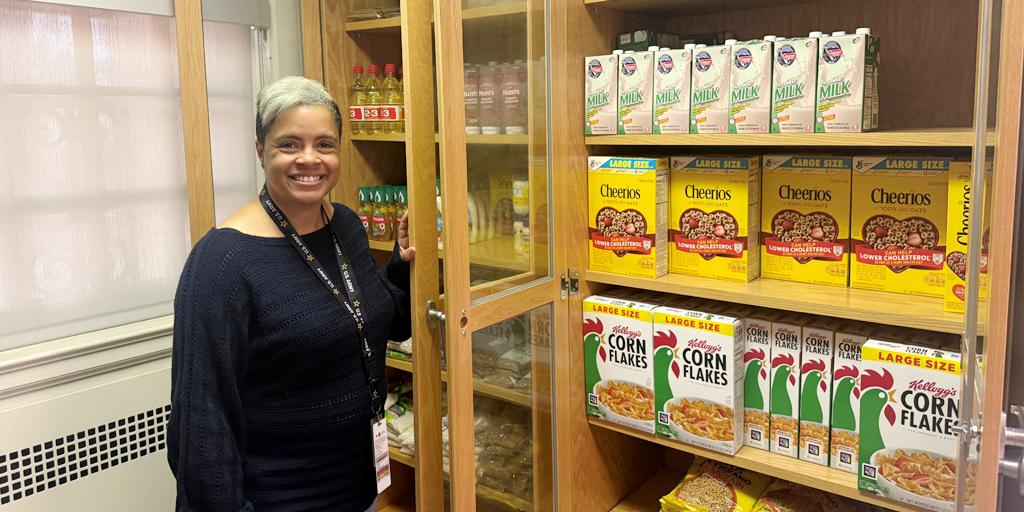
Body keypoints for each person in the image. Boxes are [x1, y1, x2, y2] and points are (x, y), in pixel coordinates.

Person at [168, 76, 413, 512]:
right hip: (279, 500)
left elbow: (382, 322)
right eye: (289, 144)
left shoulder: (346, 226)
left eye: (324, 144)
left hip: (359, 491)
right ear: (261, 149)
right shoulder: (222, 262)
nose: (309, 159)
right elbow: (201, 430)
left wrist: (403, 264)